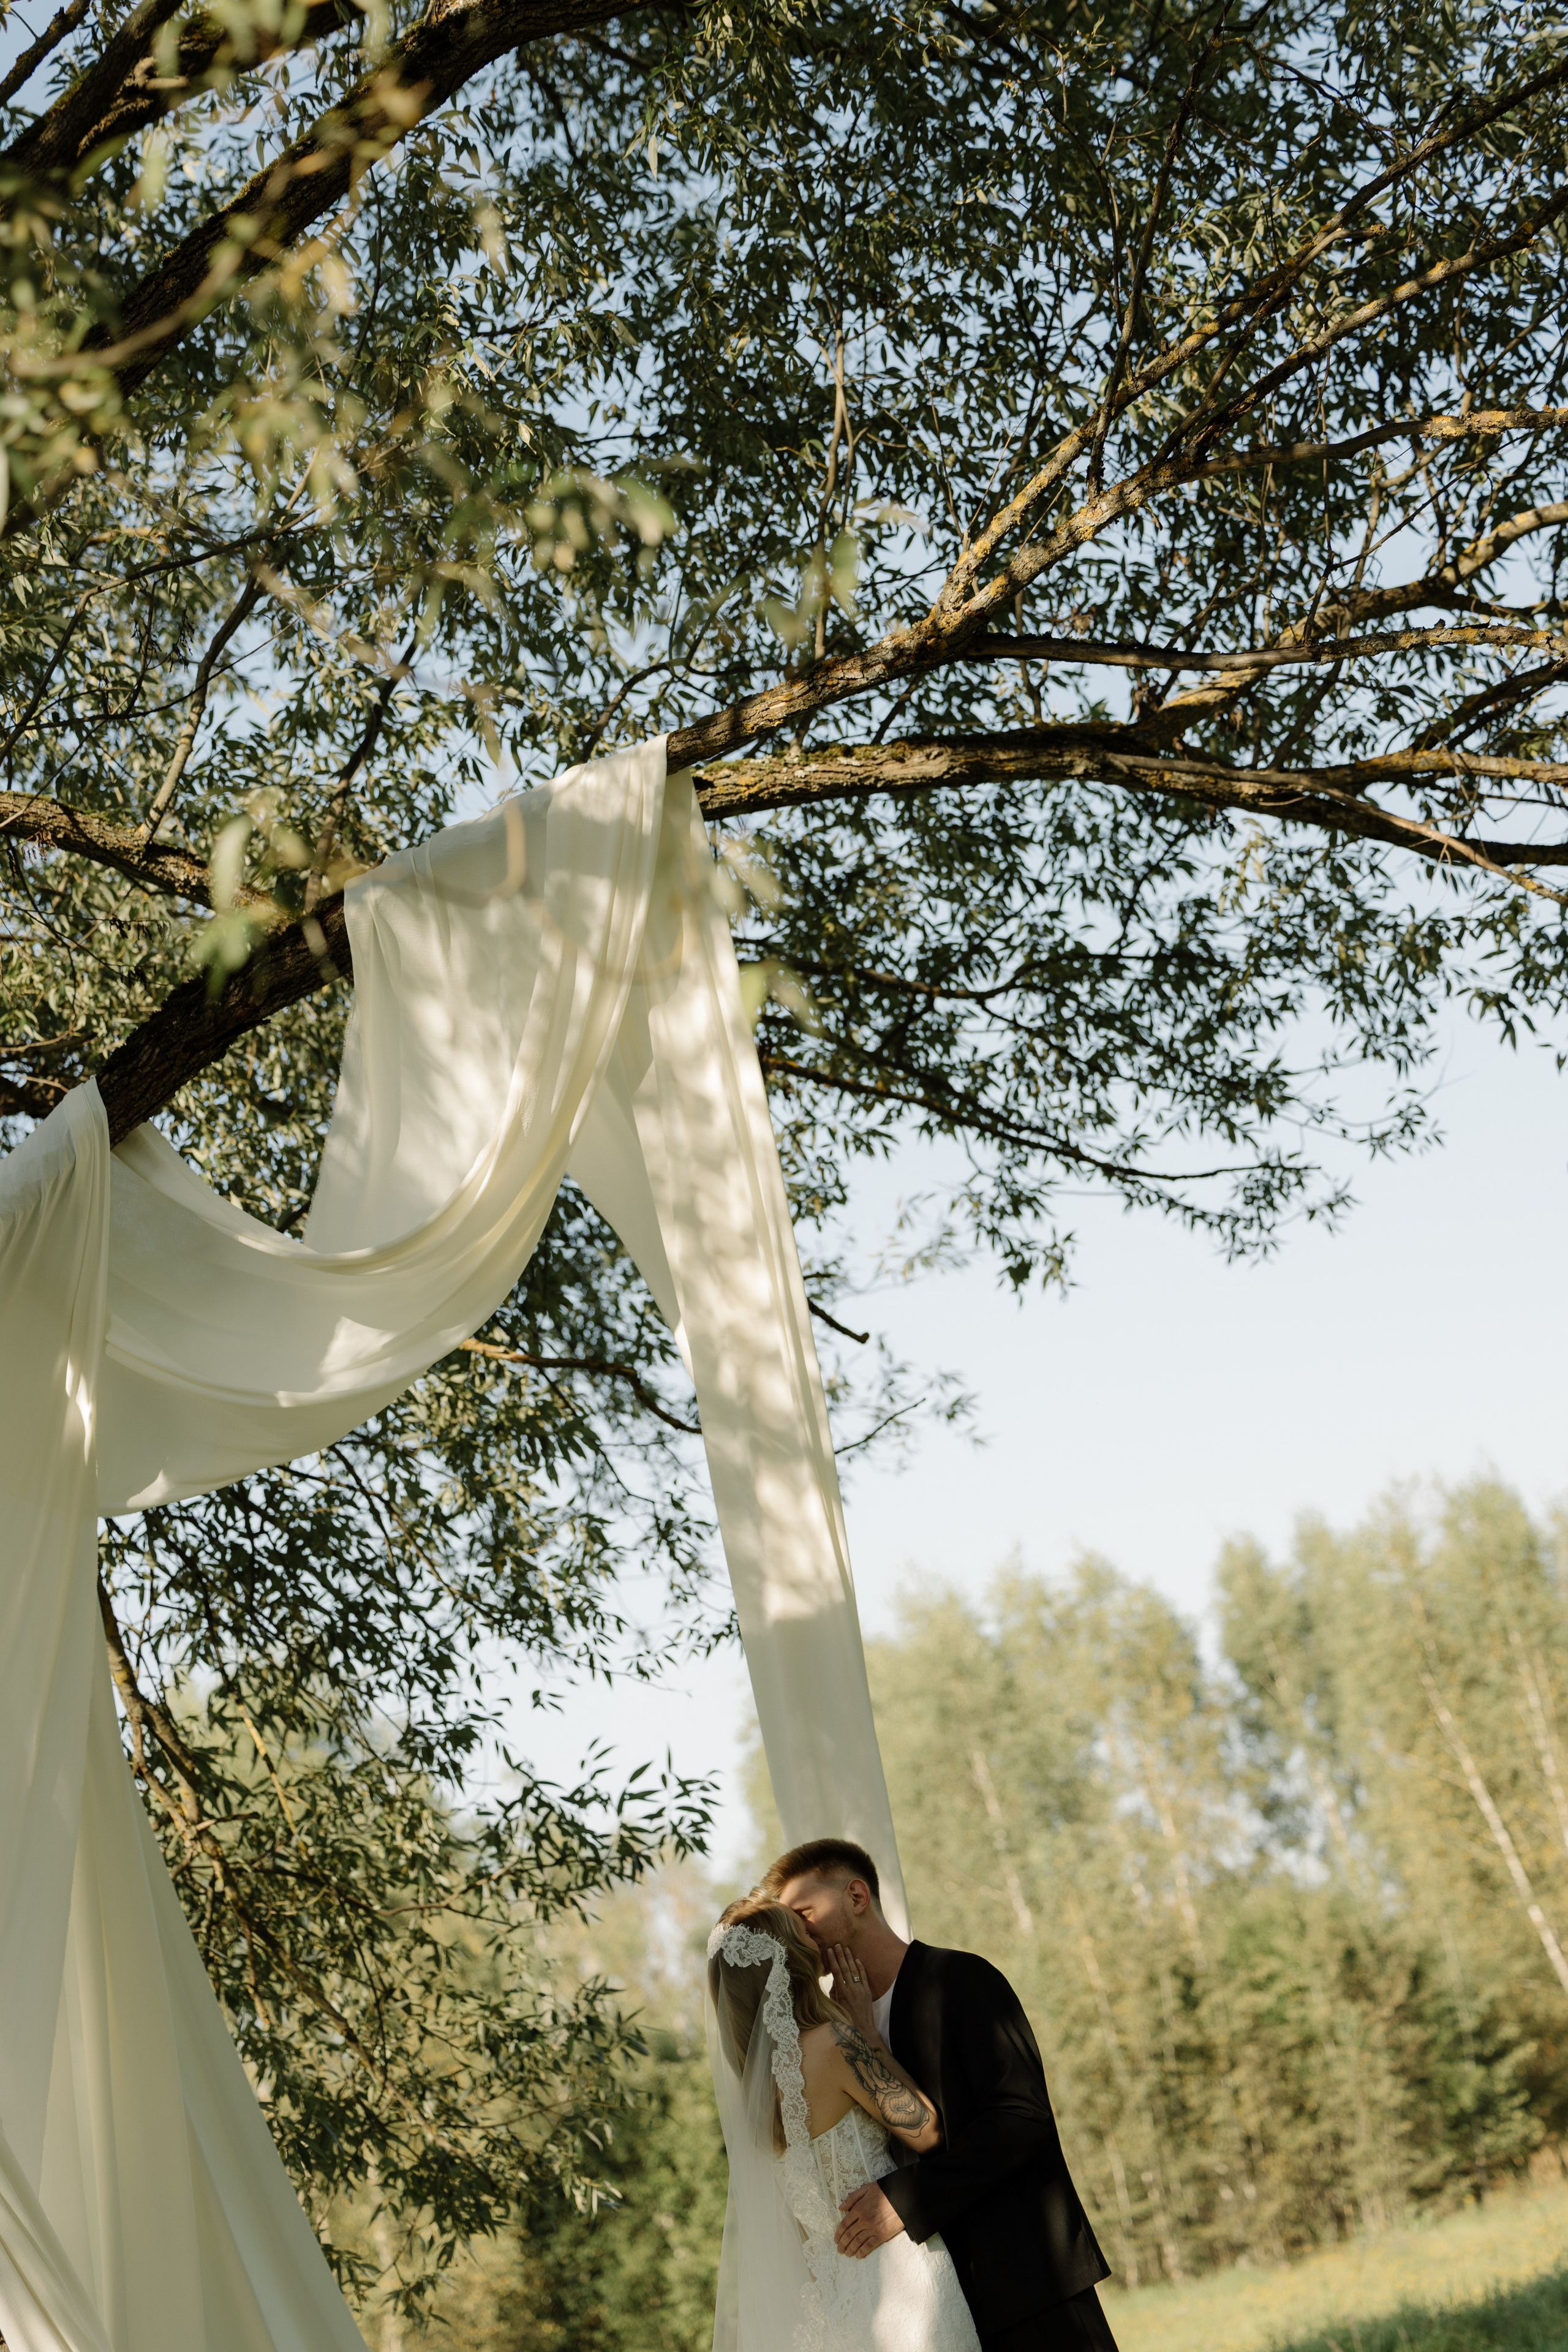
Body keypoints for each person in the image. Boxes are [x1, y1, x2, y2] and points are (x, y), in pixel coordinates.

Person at [761, 1838, 1118, 2352]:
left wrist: (907, 2198)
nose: (798, 1933)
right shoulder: (830, 2032)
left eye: (804, 1914)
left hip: (1028, 2287)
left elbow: (1021, 2117)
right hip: (934, 2312)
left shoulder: (961, 1980)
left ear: (857, 1897)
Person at [706, 1894, 983, 2351]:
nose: (812, 1937)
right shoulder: (834, 2044)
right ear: (788, 1956)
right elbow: (926, 2130)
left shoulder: (755, 2101)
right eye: (800, 1931)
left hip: (837, 2302)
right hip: (901, 2278)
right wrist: (866, 2032)